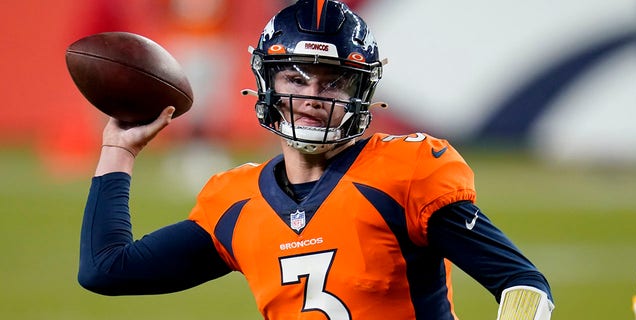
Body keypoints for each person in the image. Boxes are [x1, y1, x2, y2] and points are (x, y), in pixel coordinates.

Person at [78, 0, 555, 319]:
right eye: (295, 79)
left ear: (362, 90)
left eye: (333, 81)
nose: (312, 97)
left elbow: (523, 285)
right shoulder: (234, 201)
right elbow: (106, 270)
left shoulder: (406, 174)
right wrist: (118, 149)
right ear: (268, 84)